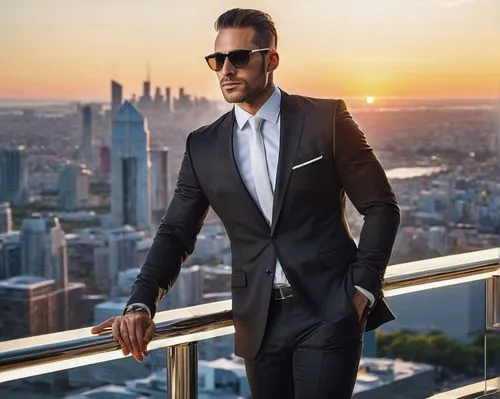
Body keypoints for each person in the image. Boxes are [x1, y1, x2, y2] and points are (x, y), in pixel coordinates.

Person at [91, 8, 400, 398]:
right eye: (217, 60)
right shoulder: (203, 145)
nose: (225, 70)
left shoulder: (326, 118)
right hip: (257, 319)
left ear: (271, 60)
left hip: (329, 310)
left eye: (239, 58)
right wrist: (140, 303)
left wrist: (362, 291)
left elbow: (381, 206)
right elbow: (175, 232)